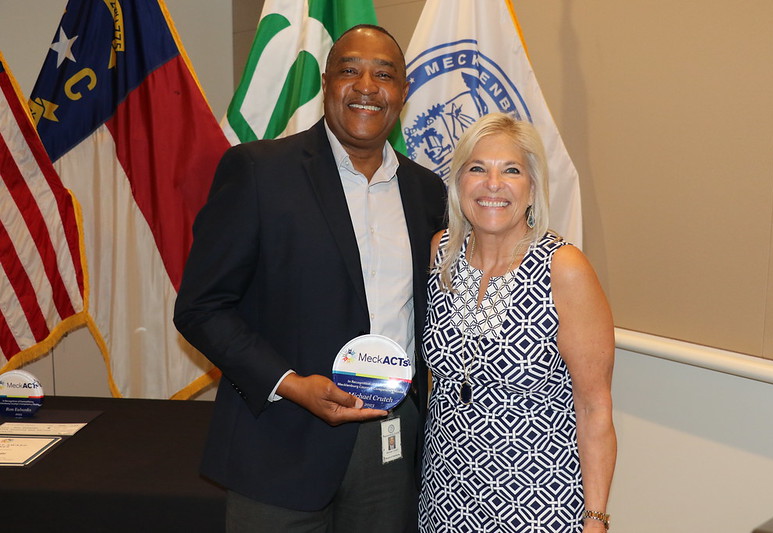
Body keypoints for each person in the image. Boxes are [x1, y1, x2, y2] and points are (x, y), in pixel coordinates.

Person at [174, 25, 447, 533]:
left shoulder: (427, 192)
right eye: (350, 70)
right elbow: (201, 307)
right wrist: (290, 384)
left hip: (390, 446)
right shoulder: (258, 171)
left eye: (384, 74)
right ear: (326, 83)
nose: (367, 85)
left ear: (403, 92)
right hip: (280, 441)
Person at [419, 113, 616, 532]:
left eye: (511, 170)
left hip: (537, 501)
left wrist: (596, 520)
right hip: (445, 498)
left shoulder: (563, 267)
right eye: (478, 169)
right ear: (458, 184)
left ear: (532, 188)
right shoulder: (441, 254)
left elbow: (595, 406)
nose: (493, 184)